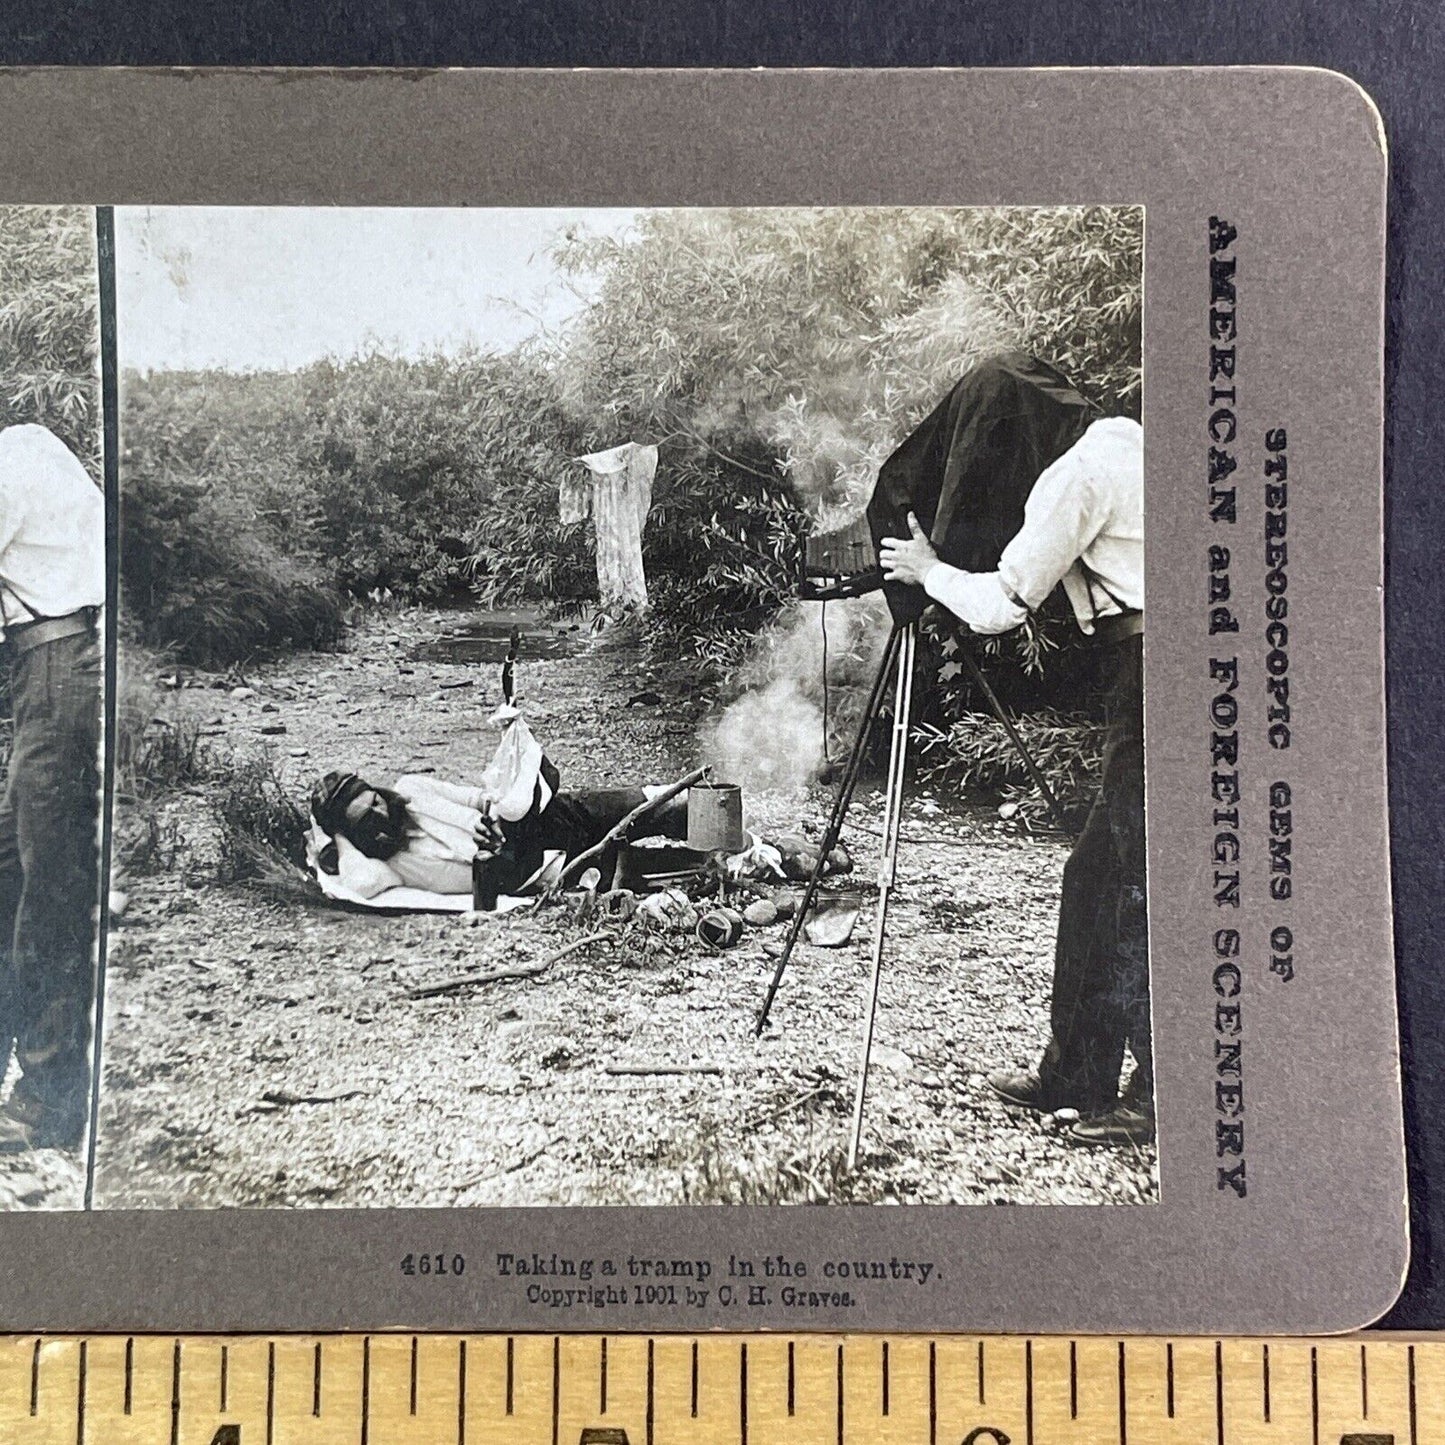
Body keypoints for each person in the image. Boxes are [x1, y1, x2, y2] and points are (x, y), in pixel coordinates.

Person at [879, 411, 1151, 1146]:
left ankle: (1161, 1096)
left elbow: (1001, 605)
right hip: (1169, 663)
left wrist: (925, 570)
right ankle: (1075, 1072)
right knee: (1096, 873)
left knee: (1143, 885)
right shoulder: (1132, 442)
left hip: (1154, 667)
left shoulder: (1076, 474)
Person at [0, 424, 105, 1154]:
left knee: (50, 886)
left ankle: (50, 1098)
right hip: (65, 662)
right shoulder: (33, 441)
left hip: (59, 665)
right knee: (11, 870)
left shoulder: (9, 463)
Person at [309, 768, 691, 905]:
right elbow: (363, 883)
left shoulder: (411, 789)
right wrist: (337, 837)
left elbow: (476, 797)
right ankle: (724, 860)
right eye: (363, 819)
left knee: (653, 807)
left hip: (536, 823)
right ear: (349, 832)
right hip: (536, 869)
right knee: (653, 868)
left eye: (373, 800)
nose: (378, 813)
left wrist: (488, 812)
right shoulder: (387, 864)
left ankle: (699, 814)